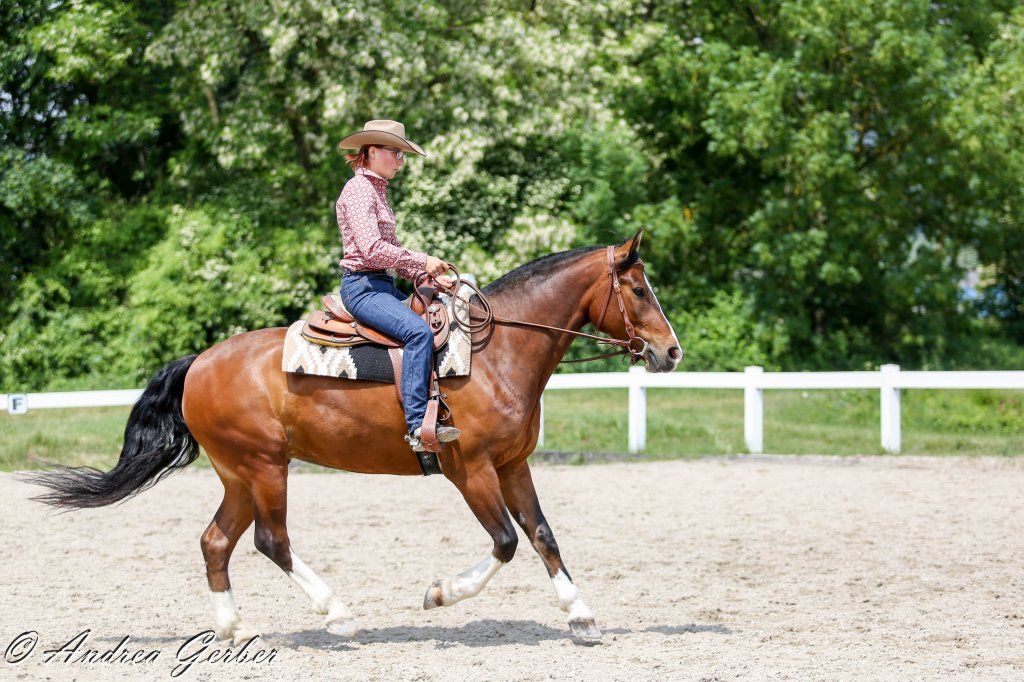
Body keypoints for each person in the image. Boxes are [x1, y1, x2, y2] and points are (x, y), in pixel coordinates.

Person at [335, 119, 461, 451]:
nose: (400, 161)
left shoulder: (376, 191)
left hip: (381, 285)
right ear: (373, 151)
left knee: (439, 313)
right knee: (417, 332)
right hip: (362, 287)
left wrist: (428, 278)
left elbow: (393, 257)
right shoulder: (359, 190)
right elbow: (372, 249)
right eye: (396, 153)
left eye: (402, 155)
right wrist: (423, 261)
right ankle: (418, 426)